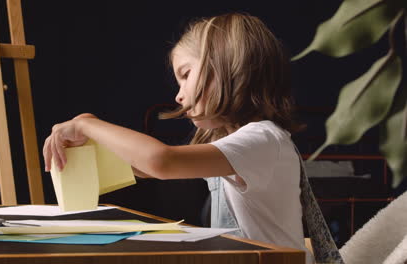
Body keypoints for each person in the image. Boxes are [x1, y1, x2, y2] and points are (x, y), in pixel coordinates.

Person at [43, 13, 313, 263]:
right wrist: (90, 144)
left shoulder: (263, 140)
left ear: (225, 65)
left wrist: (87, 124)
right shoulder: (238, 144)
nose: (178, 95)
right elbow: (145, 167)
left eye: (185, 75)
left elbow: (161, 161)